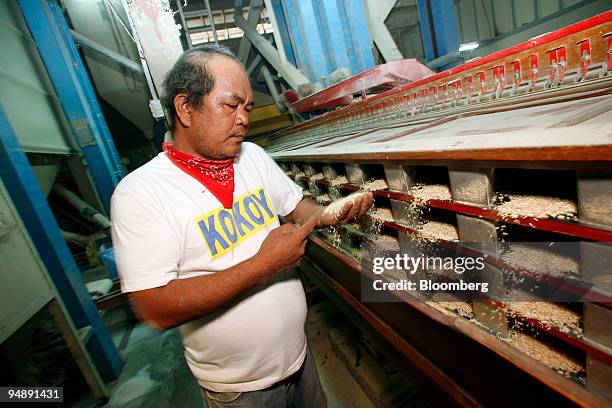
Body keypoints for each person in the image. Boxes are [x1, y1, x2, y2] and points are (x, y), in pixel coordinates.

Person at [110, 44, 373, 408]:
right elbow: (155, 308)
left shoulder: (253, 158)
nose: (244, 119)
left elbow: (297, 207)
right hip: (241, 390)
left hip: (299, 359)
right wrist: (264, 264)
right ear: (185, 108)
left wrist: (328, 213)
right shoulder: (141, 193)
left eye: (246, 108)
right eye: (231, 105)